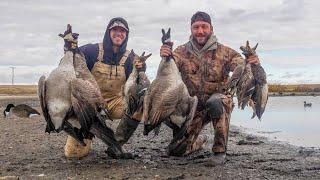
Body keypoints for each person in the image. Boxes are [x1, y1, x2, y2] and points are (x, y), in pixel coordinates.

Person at [160, 11, 260, 163]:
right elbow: (167, 72)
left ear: (211, 29)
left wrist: (251, 61)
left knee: (217, 101)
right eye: (196, 27)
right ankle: (200, 139)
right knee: (176, 151)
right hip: (192, 107)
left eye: (204, 27)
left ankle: (219, 151)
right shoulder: (180, 51)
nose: (200, 31)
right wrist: (166, 56)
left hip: (217, 102)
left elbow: (241, 65)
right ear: (191, 29)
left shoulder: (225, 52)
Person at [64, 17, 145, 158]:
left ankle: (116, 144)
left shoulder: (131, 58)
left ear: (126, 34)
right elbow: (71, 58)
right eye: (115, 30)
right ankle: (87, 132)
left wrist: (142, 68)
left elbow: (137, 80)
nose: (118, 33)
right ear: (108, 32)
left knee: (139, 103)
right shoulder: (91, 50)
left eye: (122, 31)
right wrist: (68, 46)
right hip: (89, 105)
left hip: (114, 103)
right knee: (73, 154)